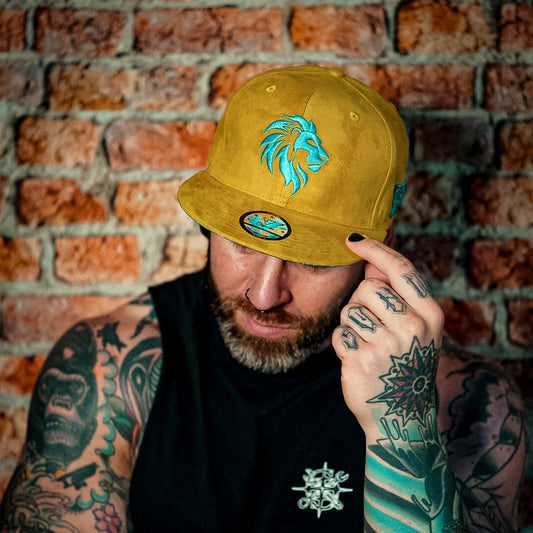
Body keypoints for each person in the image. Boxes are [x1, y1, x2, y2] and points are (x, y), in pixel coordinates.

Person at [0, 66, 527, 533]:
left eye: (312, 260)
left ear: (382, 248)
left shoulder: (471, 404)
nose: (265, 293)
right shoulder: (107, 367)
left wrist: (403, 427)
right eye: (242, 243)